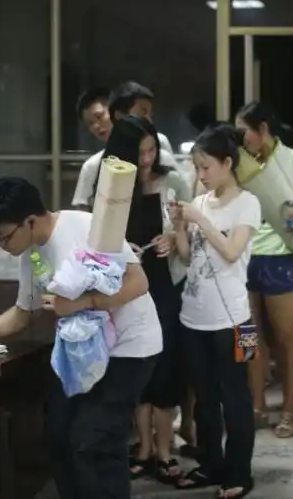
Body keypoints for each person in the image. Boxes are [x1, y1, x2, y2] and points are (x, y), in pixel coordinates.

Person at [0, 177, 162, 499]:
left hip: (129, 348)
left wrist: (83, 303)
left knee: (93, 440)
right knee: (57, 434)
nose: (1, 245)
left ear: (30, 220)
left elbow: (138, 282)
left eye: (3, 236)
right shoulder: (31, 254)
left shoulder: (88, 228)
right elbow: (25, 312)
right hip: (82, 352)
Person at [95, 115, 192, 482]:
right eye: (140, 153)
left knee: (166, 365)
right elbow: (97, 243)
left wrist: (173, 235)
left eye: (152, 150)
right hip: (126, 287)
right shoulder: (112, 185)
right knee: (134, 363)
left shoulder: (173, 180)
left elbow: (188, 240)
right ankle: (144, 447)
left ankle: (165, 450)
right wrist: (121, 250)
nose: (148, 159)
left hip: (164, 285)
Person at [171, 123, 260, 498]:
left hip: (237, 320)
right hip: (193, 316)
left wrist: (199, 219)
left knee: (237, 398)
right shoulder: (201, 201)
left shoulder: (248, 203)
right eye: (196, 167)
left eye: (206, 167)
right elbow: (190, 257)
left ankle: (239, 473)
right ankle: (211, 465)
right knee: (204, 398)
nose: (200, 175)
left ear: (227, 163)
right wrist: (178, 228)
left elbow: (231, 252)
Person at [235, 101, 293, 439]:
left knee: (284, 337)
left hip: (278, 257)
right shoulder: (240, 162)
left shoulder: (291, 157)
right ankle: (257, 405)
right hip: (243, 258)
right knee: (248, 336)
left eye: (244, 131)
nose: (240, 137)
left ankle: (289, 410)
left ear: (262, 130)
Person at [72, 84, 178, 210]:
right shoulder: (93, 166)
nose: (96, 126)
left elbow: (177, 189)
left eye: (99, 117)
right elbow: (83, 209)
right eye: (90, 123)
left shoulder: (161, 145)